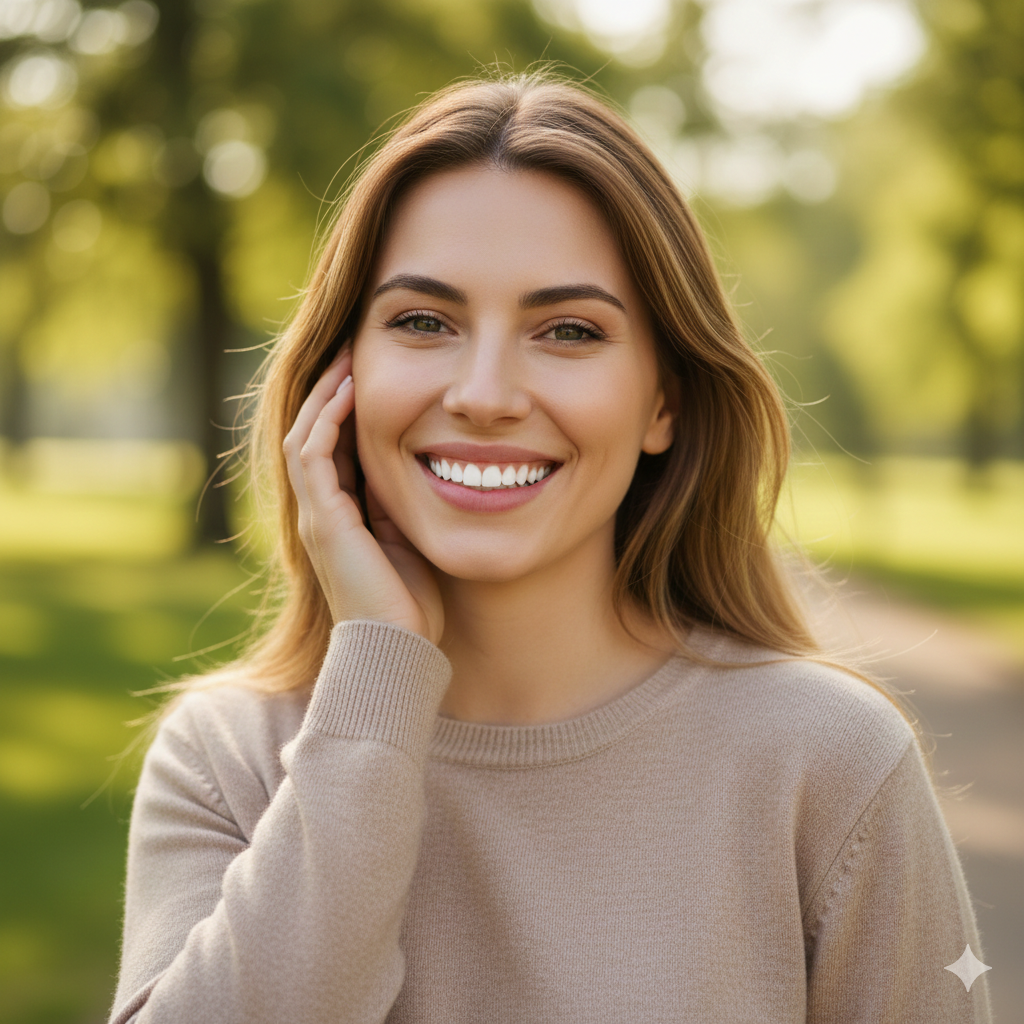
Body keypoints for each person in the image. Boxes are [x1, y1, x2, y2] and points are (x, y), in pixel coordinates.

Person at [108, 73, 991, 1023]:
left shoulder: (828, 763)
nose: (485, 394)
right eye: (423, 321)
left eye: (568, 330)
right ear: (340, 374)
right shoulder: (227, 759)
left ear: (665, 401)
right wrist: (376, 683)